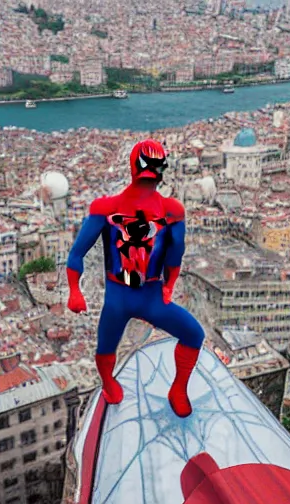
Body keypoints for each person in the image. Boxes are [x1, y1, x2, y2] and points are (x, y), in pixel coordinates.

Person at [66, 139, 206, 418]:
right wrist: (74, 290)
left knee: (191, 334)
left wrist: (75, 290)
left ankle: (171, 389)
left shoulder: (114, 209)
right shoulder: (158, 211)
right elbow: (175, 255)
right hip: (133, 296)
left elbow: (176, 254)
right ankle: (116, 383)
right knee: (108, 347)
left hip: (135, 295)